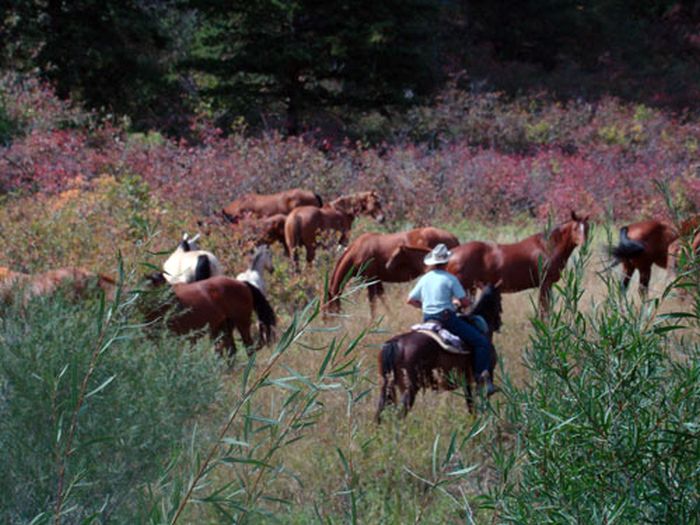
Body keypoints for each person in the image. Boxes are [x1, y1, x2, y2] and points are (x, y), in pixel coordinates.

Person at [406, 243, 497, 396]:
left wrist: (425, 307)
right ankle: (481, 378)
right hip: (447, 319)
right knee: (481, 342)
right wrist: (461, 302)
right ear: (446, 262)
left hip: (428, 319)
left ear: (432, 263)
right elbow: (465, 302)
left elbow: (410, 300)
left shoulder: (425, 278)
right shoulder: (450, 279)